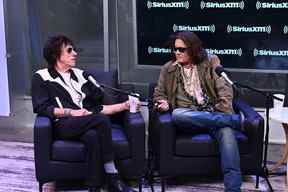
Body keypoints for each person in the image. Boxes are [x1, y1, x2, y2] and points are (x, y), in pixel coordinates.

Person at [32, 35, 137, 192]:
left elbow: (97, 108)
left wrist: (124, 105)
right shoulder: (42, 77)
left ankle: (93, 187)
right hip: (62, 124)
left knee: (93, 136)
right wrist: (71, 112)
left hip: (85, 122)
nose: (75, 53)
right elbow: (41, 108)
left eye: (74, 49)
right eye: (69, 50)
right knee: (101, 121)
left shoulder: (81, 75)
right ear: (55, 55)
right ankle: (113, 177)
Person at [153, 31, 242, 192]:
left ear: (193, 49)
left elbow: (224, 89)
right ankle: (235, 121)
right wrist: (163, 103)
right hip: (188, 118)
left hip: (213, 112)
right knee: (177, 114)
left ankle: (233, 189)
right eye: (175, 49)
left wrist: (222, 109)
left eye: (182, 49)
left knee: (227, 133)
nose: (177, 53)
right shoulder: (168, 69)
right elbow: (158, 94)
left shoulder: (210, 62)